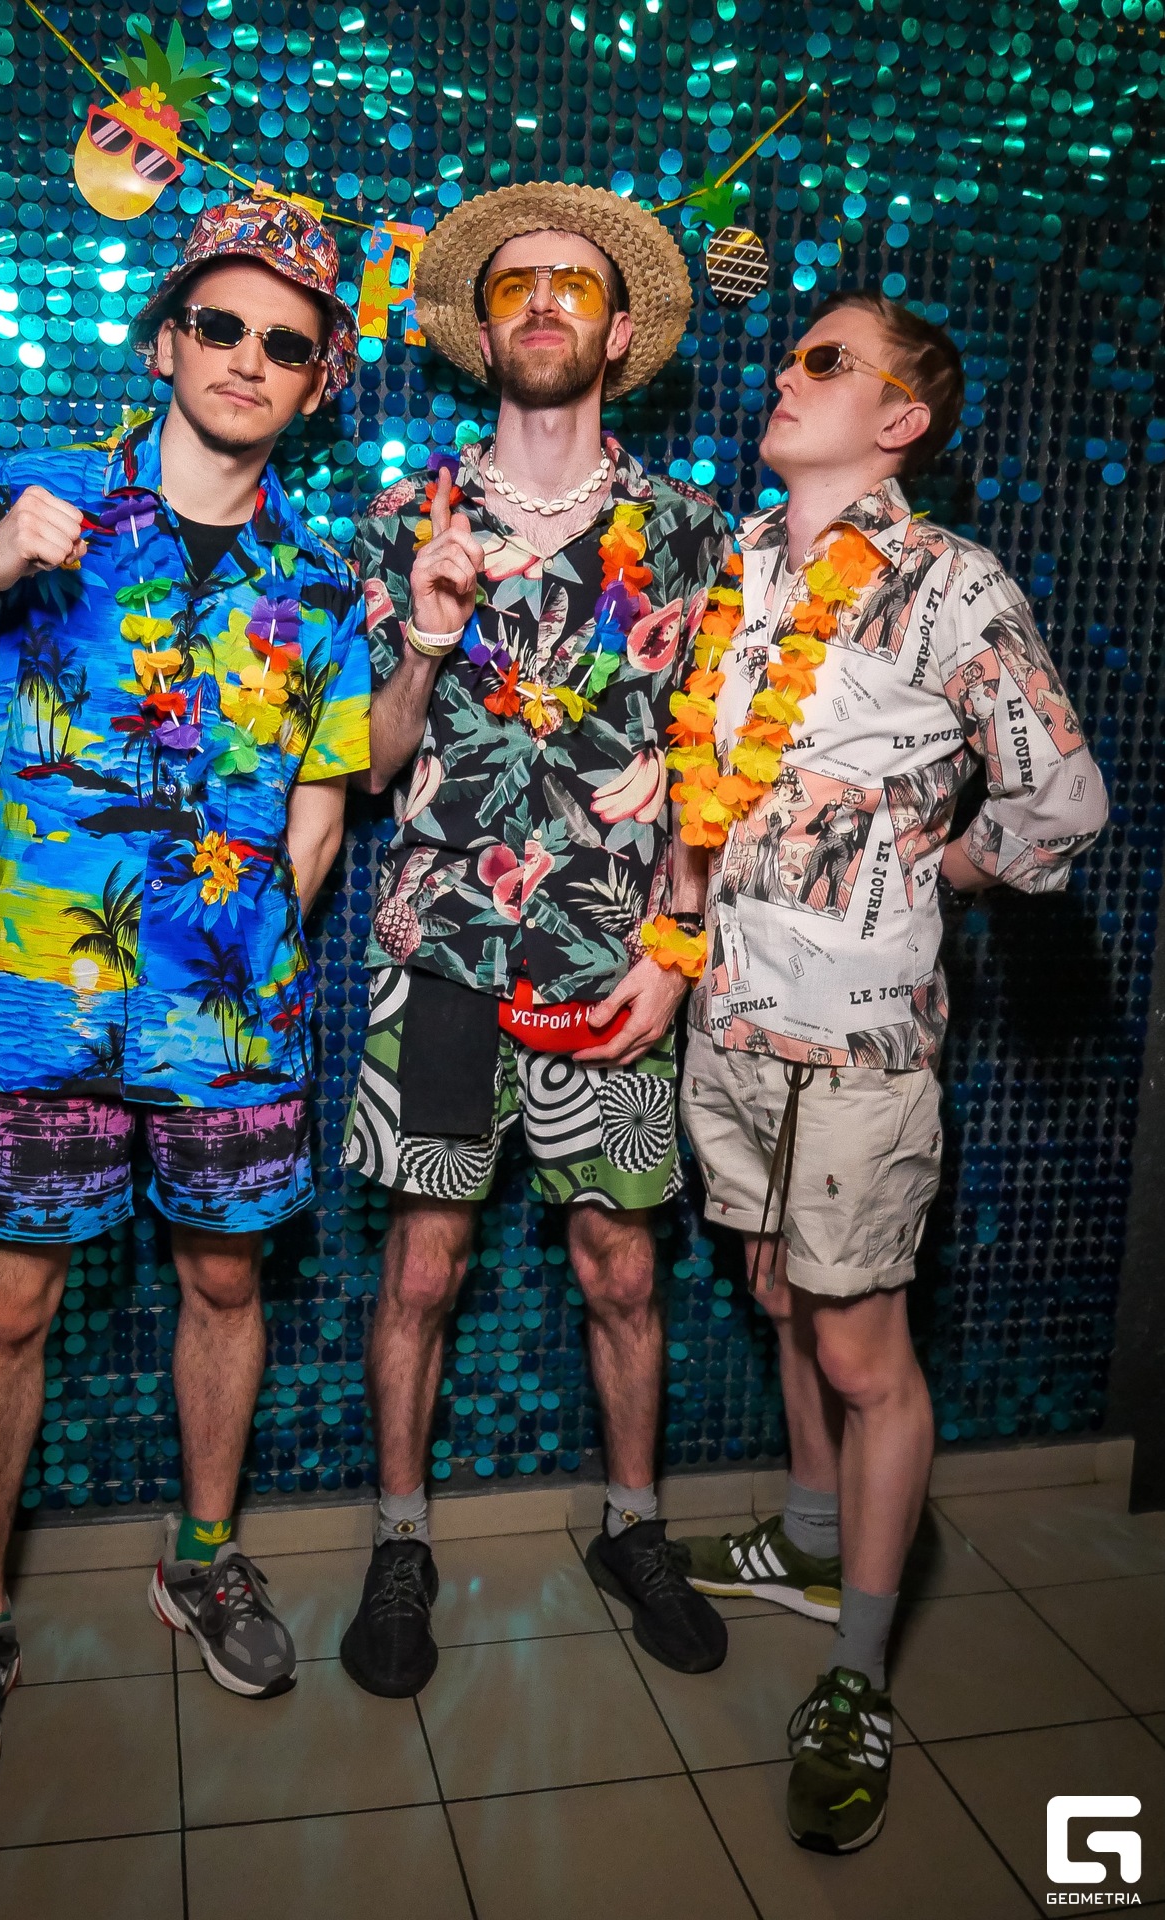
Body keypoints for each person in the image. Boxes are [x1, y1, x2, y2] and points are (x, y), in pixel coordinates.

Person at [0, 198, 371, 1798]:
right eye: (221, 325)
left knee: (225, 1287)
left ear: (321, 381)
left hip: (231, 1019)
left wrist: (245, 950)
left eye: (286, 343)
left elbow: (320, 811)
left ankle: (201, 1561)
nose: (248, 358)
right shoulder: (28, 500)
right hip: (38, 1014)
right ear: (164, 343)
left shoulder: (323, 581)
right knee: (9, 1305)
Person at [673, 290, 1107, 1852]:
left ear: (900, 421)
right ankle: (805, 1536)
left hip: (857, 1039)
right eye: (788, 355)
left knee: (866, 1357)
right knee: (778, 1293)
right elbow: (710, 782)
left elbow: (1061, 800)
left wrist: (940, 872)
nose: (785, 376)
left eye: (826, 362)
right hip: (727, 1022)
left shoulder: (947, 581)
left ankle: (856, 1676)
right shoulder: (743, 566)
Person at [338, 182, 730, 1697]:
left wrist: (676, 945)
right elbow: (370, 763)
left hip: (609, 959)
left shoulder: (691, 533)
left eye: (575, 284)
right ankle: (398, 1546)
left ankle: (633, 1528)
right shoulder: (405, 522)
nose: (547, 302)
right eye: (517, 286)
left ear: (619, 333)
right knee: (422, 1268)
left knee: (621, 1269)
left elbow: (711, 766)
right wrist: (430, 634)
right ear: (481, 326)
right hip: (440, 949)